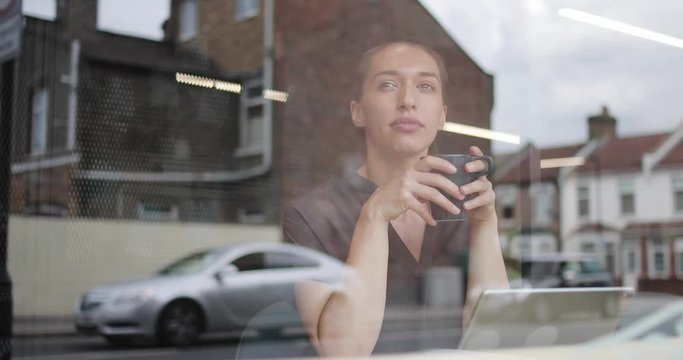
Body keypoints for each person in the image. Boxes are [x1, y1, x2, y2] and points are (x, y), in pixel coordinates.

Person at [282, 41, 508, 357]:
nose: (407, 100)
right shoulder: (312, 215)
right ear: (358, 111)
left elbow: (495, 338)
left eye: (425, 86)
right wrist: (374, 216)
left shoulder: (459, 208)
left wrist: (485, 224)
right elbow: (341, 351)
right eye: (388, 84)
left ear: (442, 115)